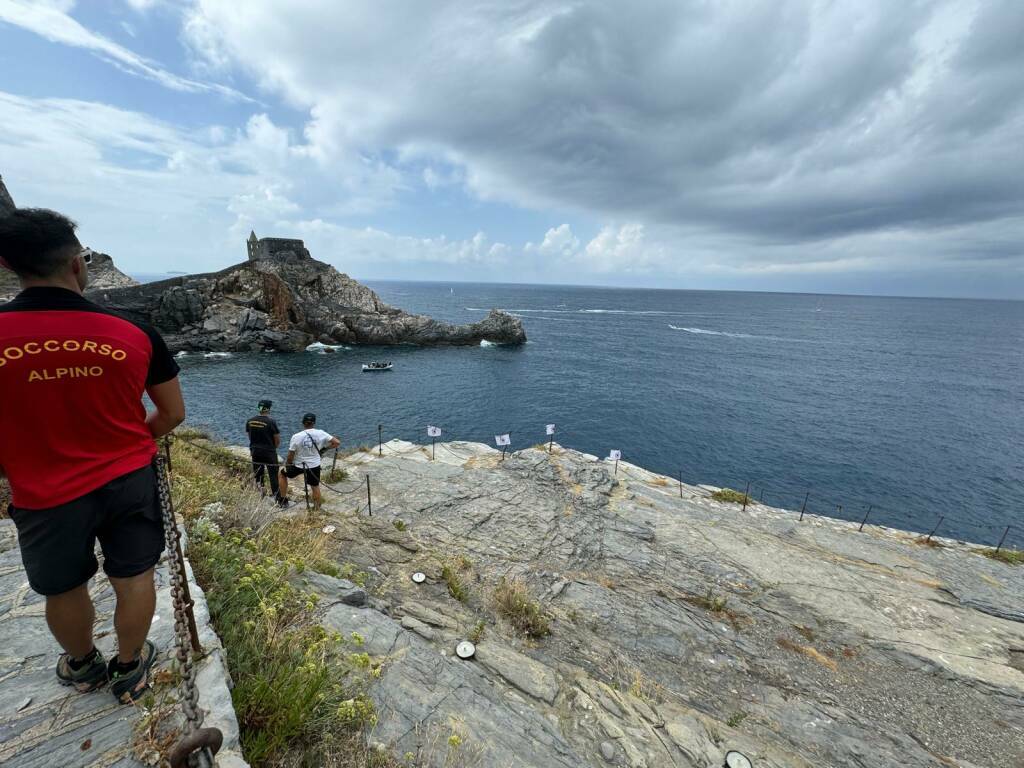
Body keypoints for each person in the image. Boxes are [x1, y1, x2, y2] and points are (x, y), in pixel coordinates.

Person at [0, 208, 185, 704]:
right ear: (78, 264)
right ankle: (129, 667)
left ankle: (82, 665)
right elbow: (171, 415)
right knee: (133, 576)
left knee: (62, 587)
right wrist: (129, 442)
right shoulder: (135, 331)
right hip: (128, 476)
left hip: (44, 489)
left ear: (9, 266)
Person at [279, 413, 339, 511]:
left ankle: (283, 499)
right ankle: (317, 508)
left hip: (299, 465)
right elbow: (337, 442)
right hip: (314, 465)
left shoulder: (296, 436)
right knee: (315, 486)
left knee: (282, 474)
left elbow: (291, 454)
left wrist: (288, 464)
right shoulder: (321, 433)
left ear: (303, 423)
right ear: (314, 423)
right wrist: (324, 449)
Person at [245, 399, 281, 501]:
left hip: (255, 451)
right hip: (269, 452)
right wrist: (273, 447)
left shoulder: (250, 421)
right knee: (273, 475)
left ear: (259, 408)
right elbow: (277, 439)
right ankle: (277, 498)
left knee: (258, 474)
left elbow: (249, 436)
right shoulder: (271, 422)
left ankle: (261, 495)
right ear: (269, 409)